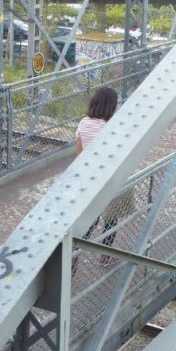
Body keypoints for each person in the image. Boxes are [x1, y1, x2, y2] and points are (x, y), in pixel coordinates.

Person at [74, 87, 132, 265]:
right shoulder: (114, 126)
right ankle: (105, 256)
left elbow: (79, 152)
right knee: (111, 218)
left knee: (90, 220)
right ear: (112, 106)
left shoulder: (83, 123)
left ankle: (74, 258)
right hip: (110, 180)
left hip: (88, 180)